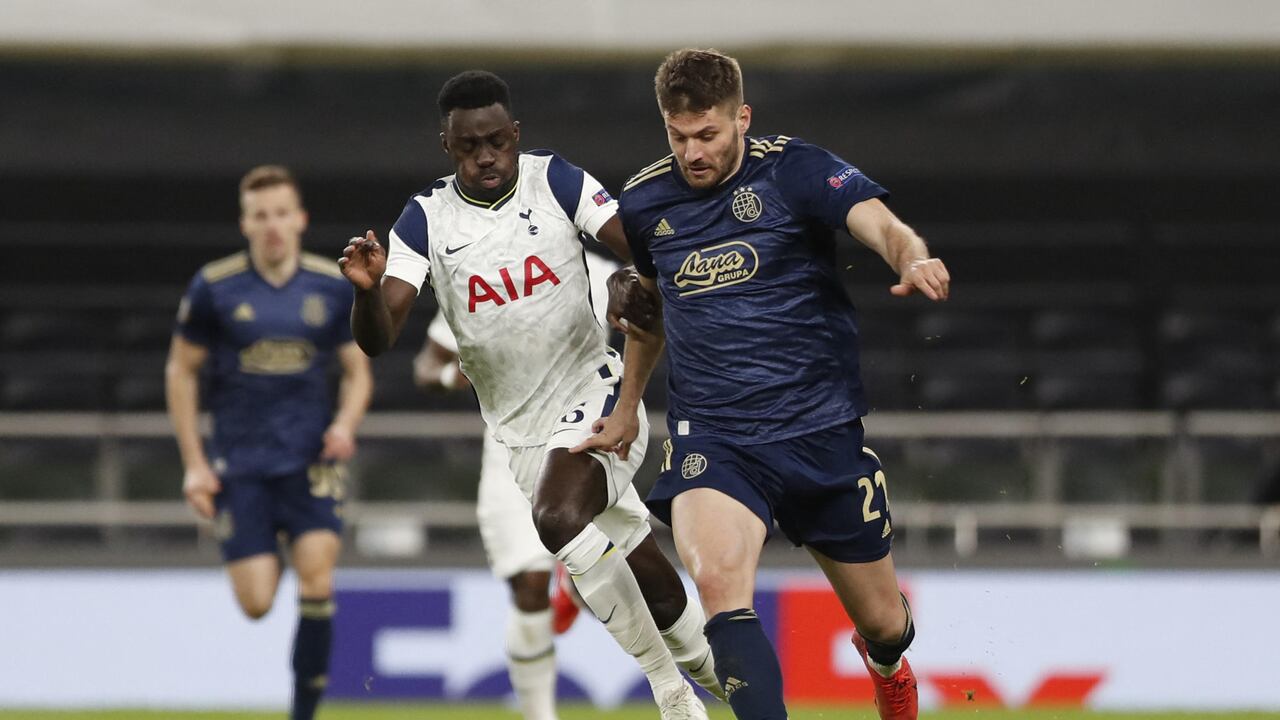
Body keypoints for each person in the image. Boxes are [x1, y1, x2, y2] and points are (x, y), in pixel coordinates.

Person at [577, 49, 952, 720]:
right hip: (716, 437)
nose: (692, 153)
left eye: (708, 134)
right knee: (719, 583)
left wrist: (912, 257)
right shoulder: (645, 201)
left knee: (884, 623)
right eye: (678, 136)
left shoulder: (794, 169)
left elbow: (881, 224)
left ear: (741, 119)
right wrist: (628, 407)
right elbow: (650, 311)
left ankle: (887, 663)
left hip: (819, 431)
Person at [339, 71, 719, 719]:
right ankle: (727, 680)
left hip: (597, 392)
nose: (486, 157)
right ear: (447, 146)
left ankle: (670, 691)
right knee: (642, 567)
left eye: (497, 142)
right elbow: (379, 340)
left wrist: (630, 279)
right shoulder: (425, 219)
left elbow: (640, 248)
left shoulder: (556, 180)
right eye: (469, 147)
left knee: (557, 518)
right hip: (518, 436)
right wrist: (367, 292)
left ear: (515, 135)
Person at [165, 165, 373, 720]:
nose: (273, 225)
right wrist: (194, 465)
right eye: (261, 216)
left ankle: (303, 714)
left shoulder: (330, 285)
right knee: (256, 603)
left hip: (311, 462)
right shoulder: (215, 287)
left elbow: (357, 371)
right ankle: (275, 549)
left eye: (282, 213)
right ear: (246, 224)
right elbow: (181, 372)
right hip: (242, 464)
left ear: (300, 219)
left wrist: (344, 426)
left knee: (318, 579)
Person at [410, 246, 621, 719]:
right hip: (510, 450)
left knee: (603, 587)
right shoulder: (479, 276)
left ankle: (576, 587)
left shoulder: (600, 274)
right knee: (528, 584)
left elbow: (650, 323)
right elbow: (425, 365)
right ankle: (539, 714)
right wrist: (447, 376)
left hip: (582, 444)